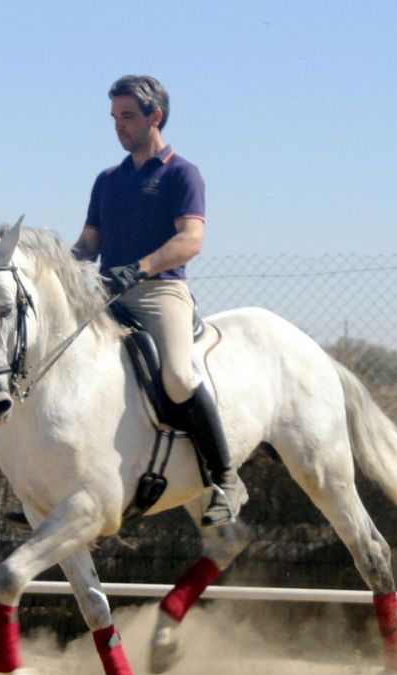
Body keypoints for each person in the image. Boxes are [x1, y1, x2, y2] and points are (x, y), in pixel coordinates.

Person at [73, 74, 247, 528]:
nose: (118, 126)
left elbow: (190, 240)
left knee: (176, 376)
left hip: (159, 292)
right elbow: (89, 243)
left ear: (156, 116)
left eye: (127, 116)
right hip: (107, 294)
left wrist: (141, 268)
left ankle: (227, 480)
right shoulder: (106, 180)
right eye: (114, 117)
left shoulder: (181, 173)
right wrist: (55, 264)